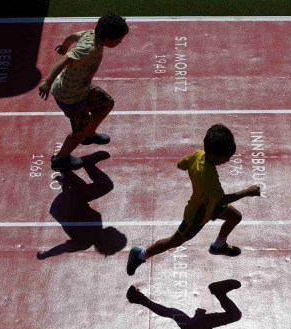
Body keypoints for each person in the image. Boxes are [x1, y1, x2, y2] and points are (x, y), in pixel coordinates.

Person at [127, 124, 261, 276]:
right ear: (215, 156)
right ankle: (140, 254)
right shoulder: (207, 176)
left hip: (209, 203)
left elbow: (181, 164)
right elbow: (221, 199)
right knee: (174, 241)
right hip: (198, 213)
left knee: (234, 216)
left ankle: (218, 246)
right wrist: (246, 192)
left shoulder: (199, 154)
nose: (228, 160)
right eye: (227, 158)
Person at [38, 12, 129, 171]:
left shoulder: (90, 34)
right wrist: (47, 81)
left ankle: (90, 134)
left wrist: (65, 44)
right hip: (71, 96)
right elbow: (65, 59)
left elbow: (74, 36)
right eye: (119, 40)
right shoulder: (88, 49)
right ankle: (60, 159)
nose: (121, 42)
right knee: (78, 131)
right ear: (108, 39)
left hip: (82, 87)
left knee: (106, 103)